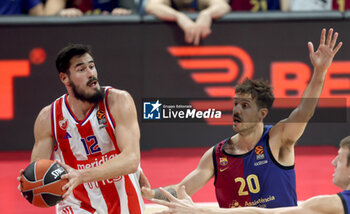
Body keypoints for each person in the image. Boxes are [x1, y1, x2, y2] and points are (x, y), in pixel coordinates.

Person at [142, 28, 343, 208]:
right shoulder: (217, 155)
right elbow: (181, 190)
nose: (236, 110)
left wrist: (319, 71)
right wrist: (151, 193)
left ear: (262, 114)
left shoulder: (277, 139)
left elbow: (304, 111)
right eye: (235, 104)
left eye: (245, 106)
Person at [18, 44, 148, 213]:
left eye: (92, 67)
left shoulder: (118, 101)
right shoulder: (48, 117)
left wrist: (81, 176)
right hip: (76, 204)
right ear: (65, 78)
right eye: (81, 69)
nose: (91, 73)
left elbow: (131, 159)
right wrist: (30, 182)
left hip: (123, 199)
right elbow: (38, 169)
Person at [151, 135, 350, 214]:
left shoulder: (333, 204)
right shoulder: (216, 154)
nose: (333, 162)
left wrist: (199, 212)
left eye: (339, 158)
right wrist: (149, 194)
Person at [145, 0, 231, 46]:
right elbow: (152, 6)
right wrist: (178, 16)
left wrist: (207, 14)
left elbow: (222, 6)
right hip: (167, 44)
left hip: (210, 45)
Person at [44, 0, 136, 17]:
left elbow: (133, 12)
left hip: (109, 36)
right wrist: (61, 13)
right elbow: (48, 17)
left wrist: (124, 12)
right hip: (73, 39)